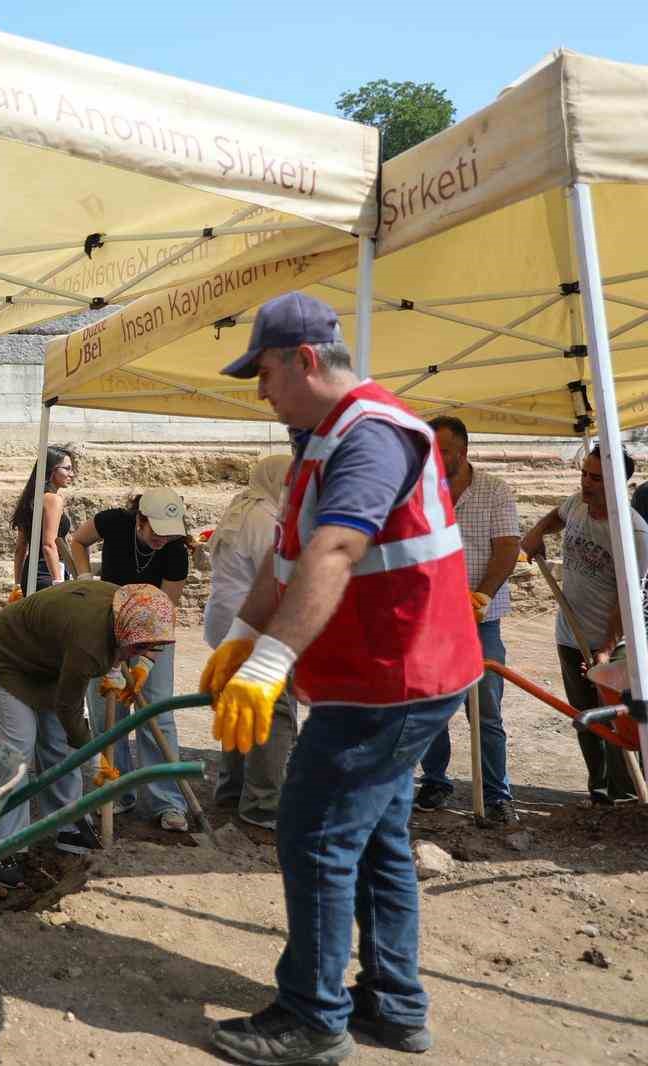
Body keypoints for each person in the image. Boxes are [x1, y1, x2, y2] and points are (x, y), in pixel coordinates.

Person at [202, 293, 481, 1065]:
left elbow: (334, 555)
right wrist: (242, 636)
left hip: (392, 679)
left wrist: (268, 667)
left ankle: (312, 1017)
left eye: (264, 373)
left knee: (315, 833)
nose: (260, 392)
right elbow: (285, 556)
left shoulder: (371, 436)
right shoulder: (320, 441)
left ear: (306, 360)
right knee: (379, 838)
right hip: (389, 675)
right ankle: (393, 1005)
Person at [0, 580, 175, 887]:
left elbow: (138, 643)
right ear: (123, 630)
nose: (143, 653)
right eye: (138, 647)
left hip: (51, 662)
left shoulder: (128, 607)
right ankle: (1, 846)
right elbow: (69, 708)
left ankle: (67, 822)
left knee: (55, 743)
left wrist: (126, 666)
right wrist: (92, 757)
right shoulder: (88, 642)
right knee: (18, 749)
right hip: (9, 657)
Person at [521, 445, 648, 805]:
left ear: (617, 483)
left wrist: (606, 649)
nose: (586, 484)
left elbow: (628, 600)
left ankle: (626, 795)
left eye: (595, 478)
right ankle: (599, 792)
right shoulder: (577, 504)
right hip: (569, 633)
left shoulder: (633, 534)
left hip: (613, 642)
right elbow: (556, 516)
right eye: (584, 474)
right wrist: (536, 533)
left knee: (619, 723)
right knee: (585, 718)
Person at [415, 416, 522, 822]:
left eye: (442, 451)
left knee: (487, 710)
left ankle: (497, 794)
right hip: (432, 621)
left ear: (464, 451)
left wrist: (481, 595)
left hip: (483, 620)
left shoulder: (494, 491)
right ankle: (435, 782)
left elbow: (508, 548)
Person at [67, 488, 191, 831]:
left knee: (156, 713)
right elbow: (77, 540)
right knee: (109, 712)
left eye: (170, 533)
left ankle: (168, 802)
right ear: (140, 519)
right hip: (106, 628)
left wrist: (144, 665)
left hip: (152, 630)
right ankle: (117, 792)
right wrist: (83, 576)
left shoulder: (177, 552)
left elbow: (164, 615)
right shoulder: (113, 522)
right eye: (156, 531)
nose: (162, 539)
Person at [204, 453, 297, 830]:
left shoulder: (244, 509)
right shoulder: (263, 519)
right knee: (276, 715)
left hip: (228, 621)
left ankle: (232, 793)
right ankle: (262, 805)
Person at [11, 447, 77, 590]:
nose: (72, 474)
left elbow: (20, 547)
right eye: (67, 468)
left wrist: (17, 584)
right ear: (52, 469)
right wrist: (58, 582)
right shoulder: (53, 500)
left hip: (29, 577)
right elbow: (48, 545)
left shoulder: (30, 498)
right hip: (48, 575)